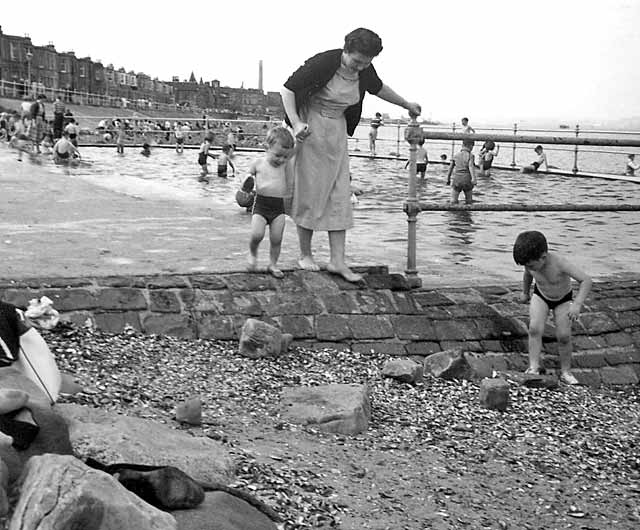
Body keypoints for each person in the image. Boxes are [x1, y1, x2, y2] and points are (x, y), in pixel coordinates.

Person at [281, 27, 421, 282]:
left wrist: (407, 104)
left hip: (336, 129)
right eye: (356, 61)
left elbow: (379, 88)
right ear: (346, 50)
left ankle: (337, 261)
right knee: (310, 190)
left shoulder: (364, 69)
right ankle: (305, 254)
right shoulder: (324, 62)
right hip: (309, 126)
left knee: (339, 192)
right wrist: (296, 123)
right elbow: (288, 89)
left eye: (366, 62)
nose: (360, 67)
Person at [513, 230, 592, 385]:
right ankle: (533, 366)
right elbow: (528, 275)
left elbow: (586, 280)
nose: (529, 268)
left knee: (563, 336)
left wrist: (577, 304)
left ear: (543, 257)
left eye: (530, 265)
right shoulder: (531, 264)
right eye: (526, 265)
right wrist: (524, 293)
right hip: (541, 295)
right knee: (534, 328)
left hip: (563, 299)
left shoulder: (560, 263)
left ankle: (566, 371)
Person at [246, 127, 297, 278]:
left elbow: (295, 152)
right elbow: (248, 176)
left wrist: (299, 139)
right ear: (266, 147)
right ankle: (252, 254)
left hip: (278, 207)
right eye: (278, 155)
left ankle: (273, 264)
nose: (281, 160)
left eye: (285, 157)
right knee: (257, 234)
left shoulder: (285, 164)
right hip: (260, 205)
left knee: (276, 238)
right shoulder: (258, 163)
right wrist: (246, 183)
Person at [446, 139, 477, 204]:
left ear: (462, 145)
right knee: (469, 199)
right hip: (467, 179)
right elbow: (471, 166)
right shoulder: (471, 155)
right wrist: (474, 178)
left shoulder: (455, 155)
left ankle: (454, 212)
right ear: (471, 146)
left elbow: (450, 168)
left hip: (457, 179)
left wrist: (448, 178)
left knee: (453, 199)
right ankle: (467, 212)